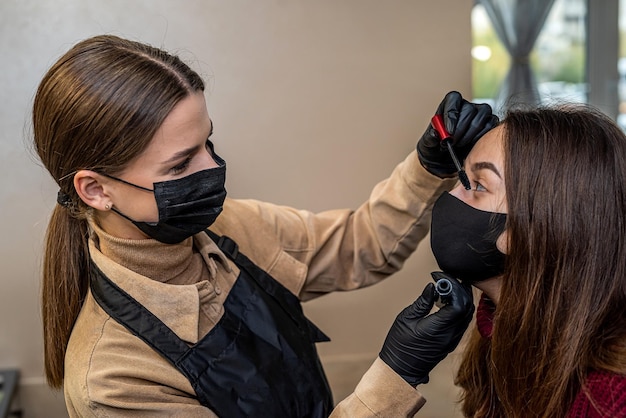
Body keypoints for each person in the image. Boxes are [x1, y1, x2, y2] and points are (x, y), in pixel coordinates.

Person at [33, 34, 495, 417]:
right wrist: (396, 373)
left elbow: (361, 245)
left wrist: (427, 166)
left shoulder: (233, 226)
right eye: (179, 166)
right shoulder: (113, 381)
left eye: (207, 142)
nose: (212, 168)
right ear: (95, 190)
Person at [427, 104, 626, 417]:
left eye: (478, 185)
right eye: (462, 178)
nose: (450, 197)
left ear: (537, 228)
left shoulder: (609, 399)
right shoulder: (500, 327)